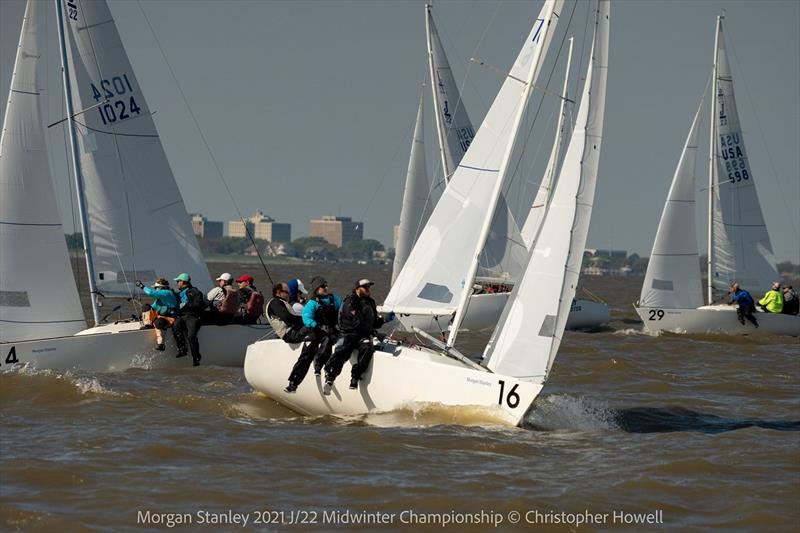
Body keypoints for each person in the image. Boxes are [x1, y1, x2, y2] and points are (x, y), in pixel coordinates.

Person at [323, 279, 395, 393]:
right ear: (357, 289)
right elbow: (358, 323)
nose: (368, 290)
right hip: (348, 333)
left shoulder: (370, 302)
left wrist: (385, 319)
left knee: (368, 348)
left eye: (369, 287)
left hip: (362, 335)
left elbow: (373, 323)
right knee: (343, 350)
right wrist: (374, 332)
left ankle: (355, 377)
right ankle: (330, 377)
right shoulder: (350, 302)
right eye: (365, 288)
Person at [266, 282, 316, 393]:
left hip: (294, 331)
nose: (289, 294)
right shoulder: (275, 302)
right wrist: (307, 319)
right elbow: (287, 317)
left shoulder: (281, 302)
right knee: (316, 331)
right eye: (287, 292)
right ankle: (296, 378)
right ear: (278, 292)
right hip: (289, 334)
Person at [302, 276, 342, 379]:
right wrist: (317, 325)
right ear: (316, 289)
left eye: (326, 286)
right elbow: (306, 318)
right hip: (319, 331)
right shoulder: (312, 303)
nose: (325, 288)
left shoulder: (335, 300)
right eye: (322, 286)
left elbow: (343, 311)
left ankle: (332, 368)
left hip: (334, 331)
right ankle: (318, 366)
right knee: (327, 340)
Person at [136, 277, 178, 351]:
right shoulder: (160, 299)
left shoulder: (167, 293)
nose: (155, 289)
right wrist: (142, 315)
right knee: (146, 306)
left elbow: (151, 293)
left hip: (170, 318)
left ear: (161, 288)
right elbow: (152, 308)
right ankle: (148, 325)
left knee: (158, 322)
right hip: (161, 316)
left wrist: (142, 286)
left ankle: (161, 344)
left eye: (156, 288)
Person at [172, 273, 205, 366]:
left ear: (184, 282)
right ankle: (182, 349)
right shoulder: (179, 293)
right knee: (175, 326)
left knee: (191, 336)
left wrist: (186, 305)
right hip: (182, 317)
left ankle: (196, 357)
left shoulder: (194, 291)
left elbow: (199, 305)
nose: (177, 283)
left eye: (178, 281)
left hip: (193, 316)